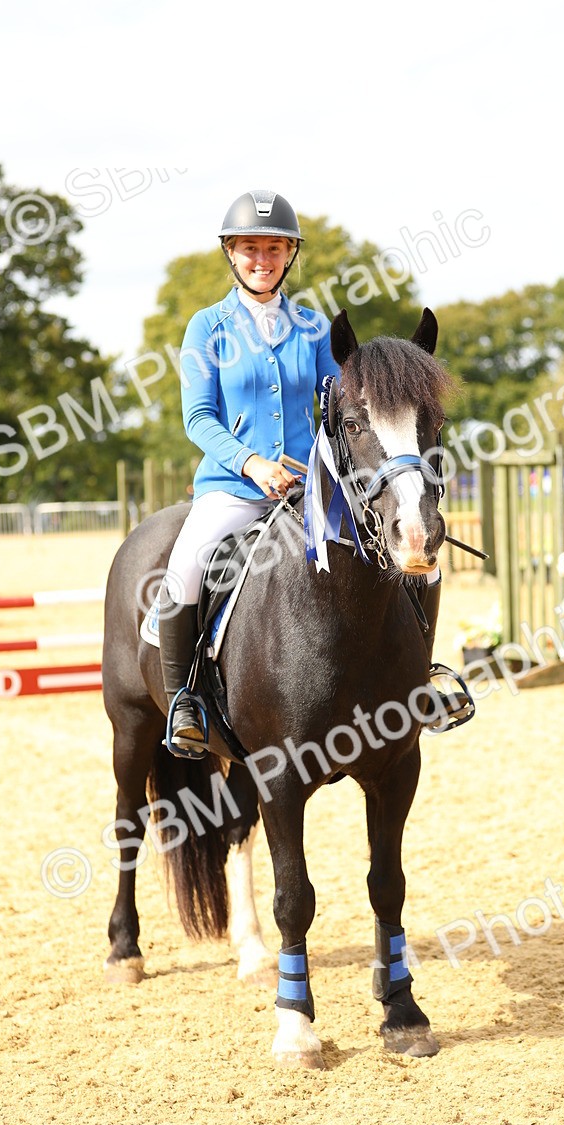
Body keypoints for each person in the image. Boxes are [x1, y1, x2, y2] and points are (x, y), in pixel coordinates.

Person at [158, 189, 339, 756]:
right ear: (231, 254)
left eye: (274, 248)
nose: (262, 259)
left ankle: (418, 675)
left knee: (397, 554)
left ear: (290, 255)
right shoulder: (206, 328)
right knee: (185, 567)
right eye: (250, 248)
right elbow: (197, 418)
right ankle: (183, 701)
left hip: (309, 492)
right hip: (233, 489)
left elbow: (337, 406)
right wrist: (252, 462)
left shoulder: (314, 329)